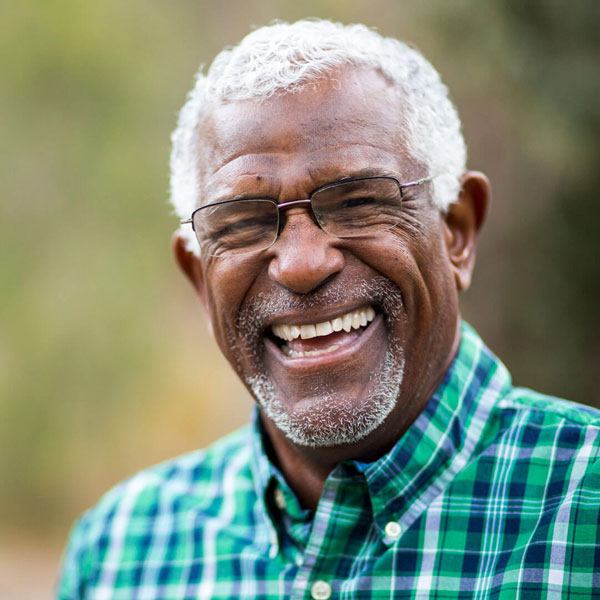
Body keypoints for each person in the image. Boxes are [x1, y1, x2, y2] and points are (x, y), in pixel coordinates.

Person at [57, 19, 600, 599]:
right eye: (242, 222)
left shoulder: (582, 510)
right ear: (198, 277)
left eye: (358, 202)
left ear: (457, 231)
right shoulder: (121, 554)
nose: (300, 264)